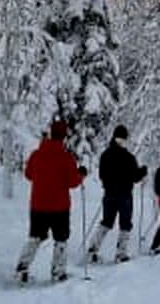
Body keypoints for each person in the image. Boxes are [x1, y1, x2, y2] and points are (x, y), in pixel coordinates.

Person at [15, 120, 87, 283]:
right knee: (61, 239)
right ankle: (58, 272)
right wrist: (81, 174)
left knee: (35, 237)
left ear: (50, 134)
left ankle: (22, 268)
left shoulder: (36, 154)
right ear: (64, 137)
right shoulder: (66, 158)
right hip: (59, 207)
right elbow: (73, 182)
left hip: (38, 205)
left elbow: (28, 175)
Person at [87, 125, 148, 263]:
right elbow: (135, 177)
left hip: (109, 194)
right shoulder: (128, 157)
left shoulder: (105, 155)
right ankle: (121, 254)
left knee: (107, 222)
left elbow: (101, 174)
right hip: (125, 195)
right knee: (125, 223)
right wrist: (143, 171)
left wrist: (109, 183)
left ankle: (92, 249)